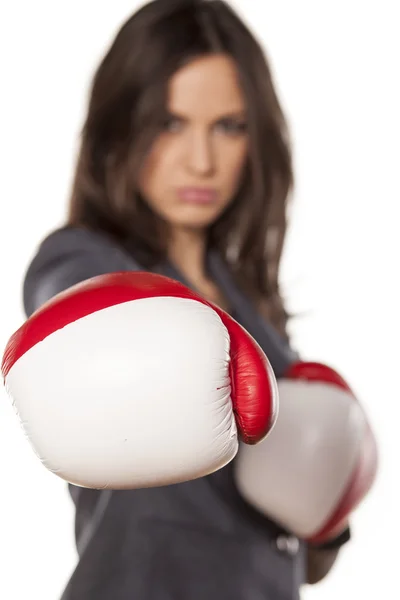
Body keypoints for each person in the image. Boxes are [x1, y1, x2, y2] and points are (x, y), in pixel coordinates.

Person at [21, 1, 355, 598]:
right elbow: (66, 316)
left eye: (229, 126)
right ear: (121, 126)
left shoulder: (250, 298)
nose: (201, 161)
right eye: (169, 123)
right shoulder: (85, 259)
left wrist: (328, 517)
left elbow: (298, 554)